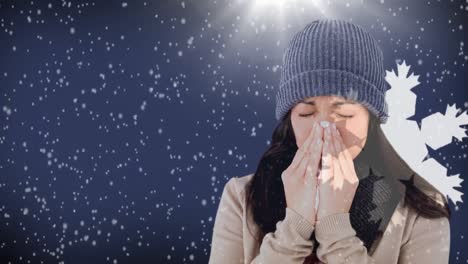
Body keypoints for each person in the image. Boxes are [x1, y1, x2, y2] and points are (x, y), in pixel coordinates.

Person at [208, 19, 451, 264]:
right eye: (306, 113)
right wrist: (294, 226)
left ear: (371, 118)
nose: (323, 129)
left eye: (344, 113)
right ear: (289, 118)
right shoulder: (241, 197)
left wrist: (335, 229)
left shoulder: (421, 212)